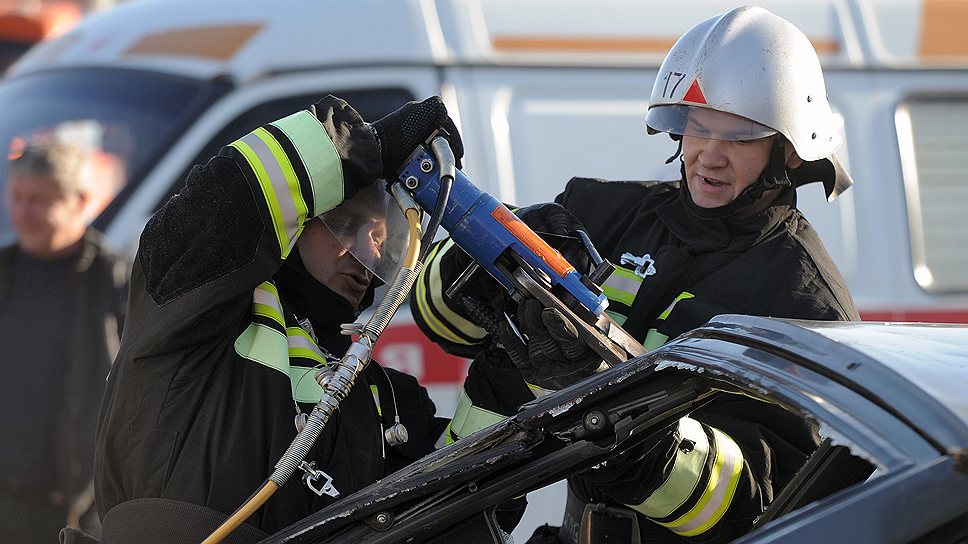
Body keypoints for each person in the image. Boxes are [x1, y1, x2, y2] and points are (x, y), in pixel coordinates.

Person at [410, 6, 860, 543]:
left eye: (739, 136)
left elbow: (770, 499)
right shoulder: (600, 214)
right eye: (697, 126)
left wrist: (638, 444)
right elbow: (443, 327)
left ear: (787, 150)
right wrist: (481, 260)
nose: (709, 156)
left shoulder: (804, 299)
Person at [89, 95, 463, 543]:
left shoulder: (387, 399)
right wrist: (368, 146)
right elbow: (227, 199)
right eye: (346, 225)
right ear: (296, 219)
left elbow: (458, 507)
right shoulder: (197, 309)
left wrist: (507, 376)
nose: (367, 256)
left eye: (381, 241)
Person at [0, 140, 129, 541]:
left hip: (72, 510)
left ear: (80, 201)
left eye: (38, 200)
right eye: (17, 197)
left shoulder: (116, 281)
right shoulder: (4, 270)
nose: (23, 212)